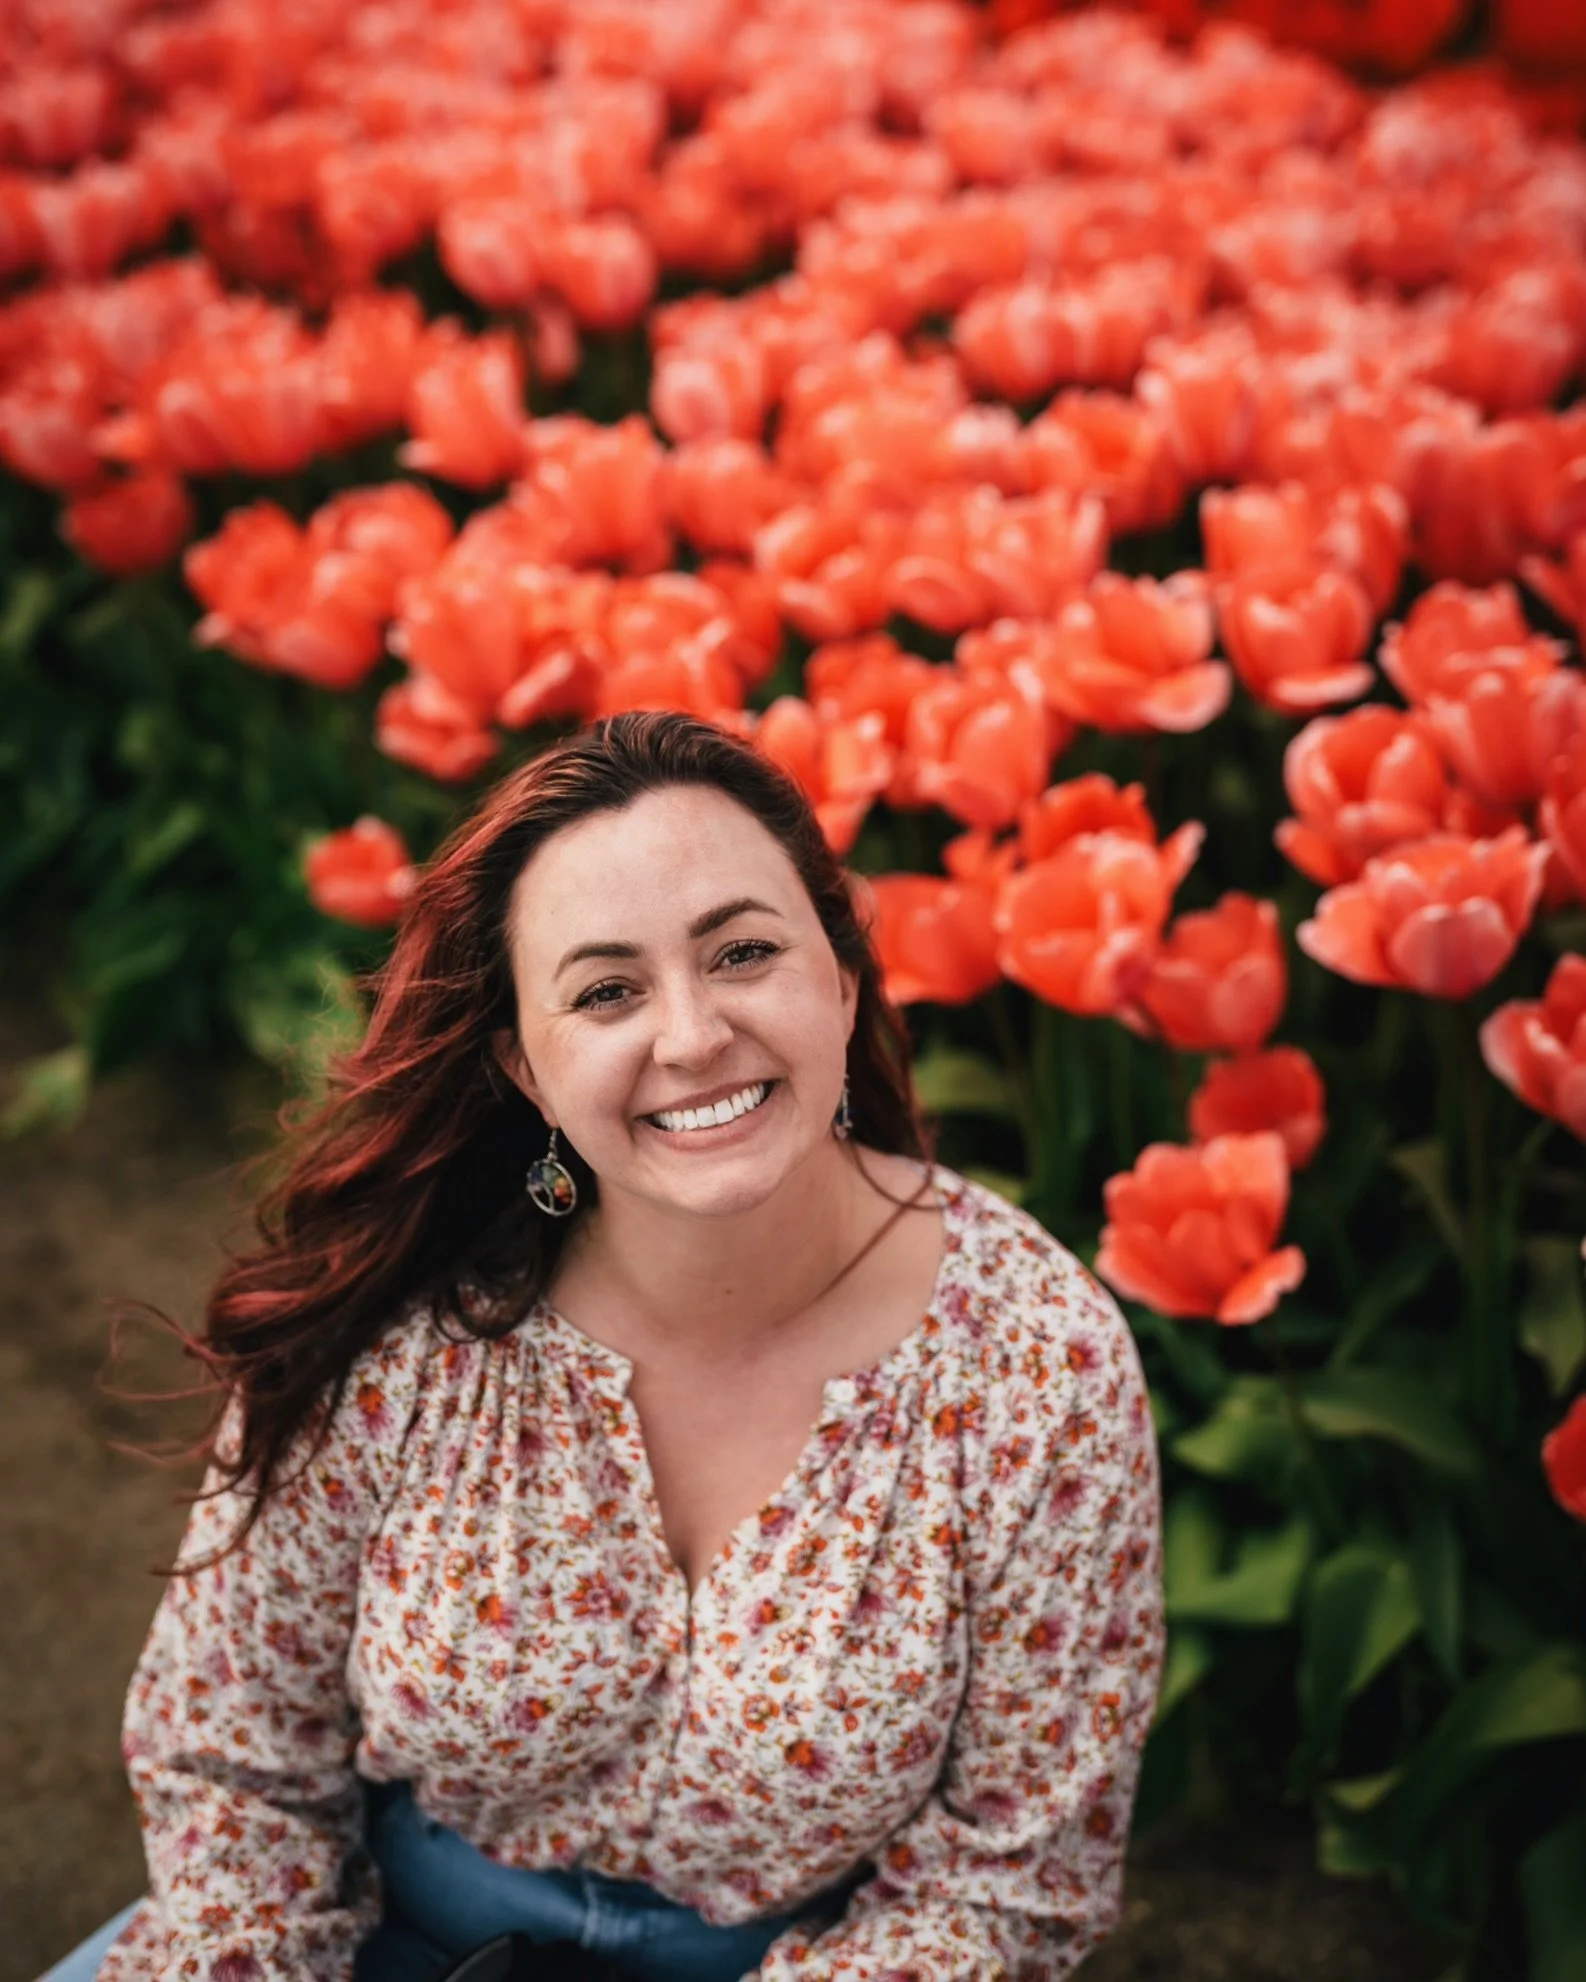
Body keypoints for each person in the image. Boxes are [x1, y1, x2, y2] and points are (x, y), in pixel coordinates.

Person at [61, 710, 1161, 1982]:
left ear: (842, 980)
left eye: (742, 951)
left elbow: (1013, 1876)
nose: (690, 1035)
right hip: (374, 1922)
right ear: (526, 1067)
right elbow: (230, 1744)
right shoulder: (405, 1318)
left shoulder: (1037, 1361)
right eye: (605, 990)